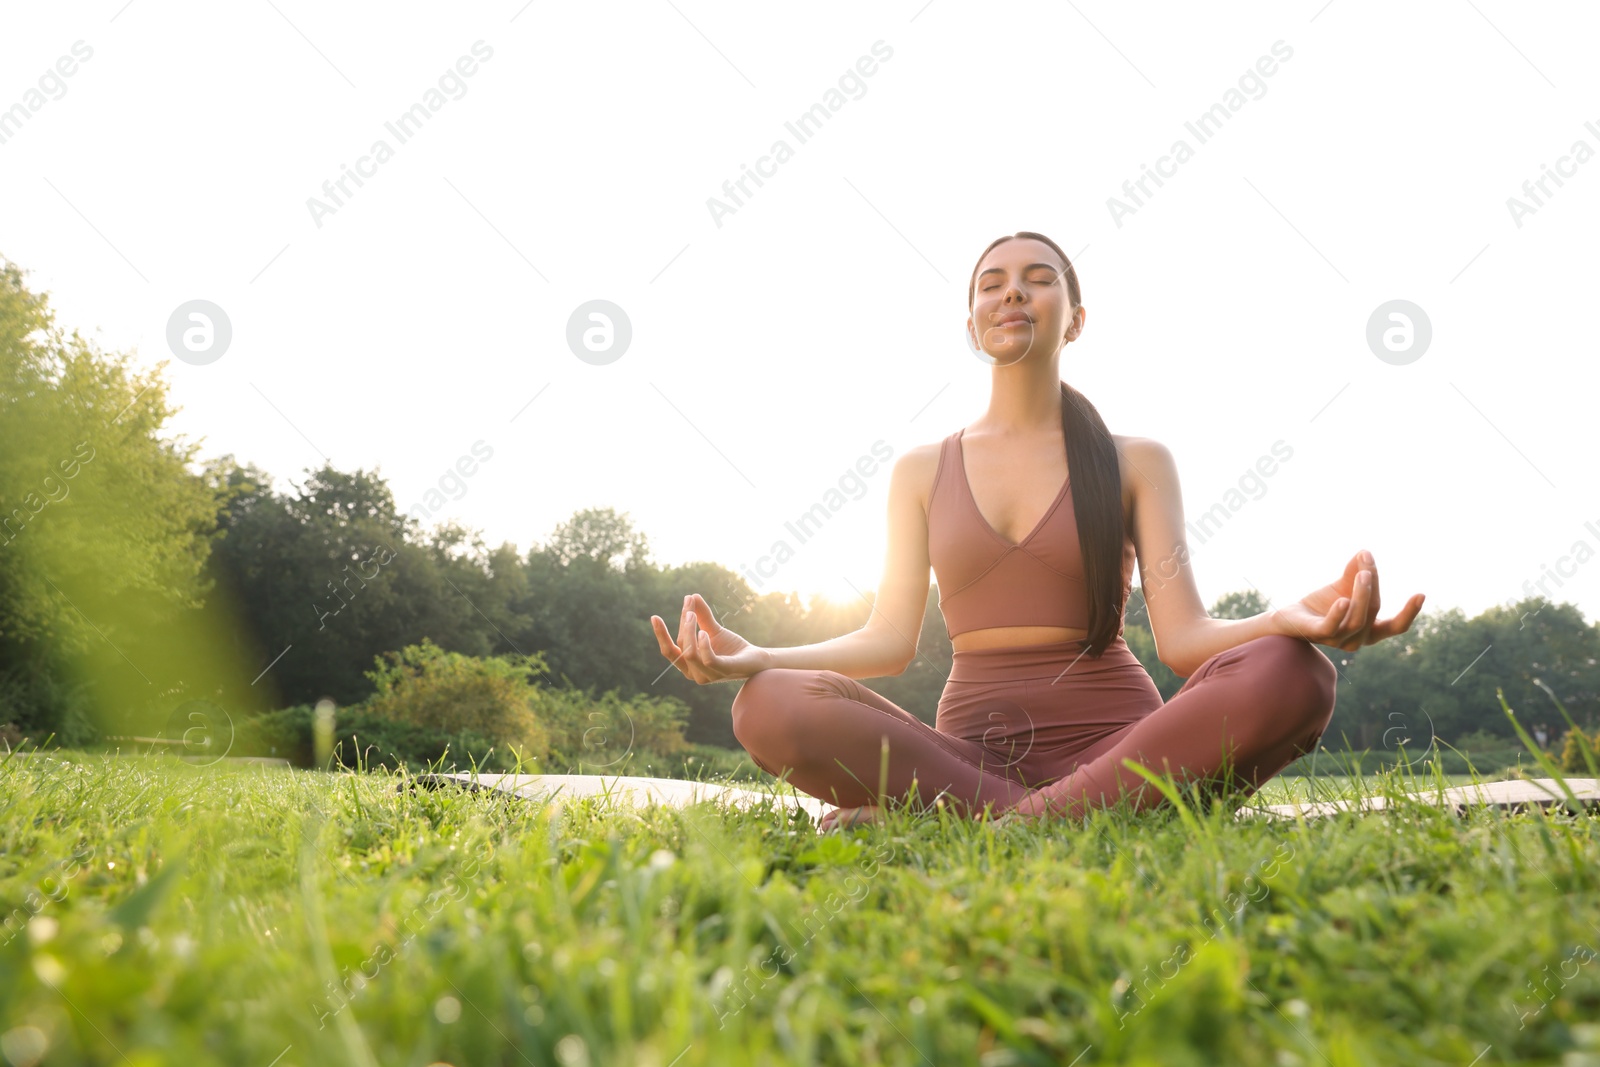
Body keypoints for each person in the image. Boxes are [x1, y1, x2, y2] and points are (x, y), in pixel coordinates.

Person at [650, 231, 1426, 832]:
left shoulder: (1136, 460)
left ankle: (988, 829)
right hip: (965, 760)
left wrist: (1289, 620)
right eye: (992, 283)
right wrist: (757, 655)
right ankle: (1056, 820)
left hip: (1123, 752)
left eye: (1038, 279)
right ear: (972, 322)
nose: (1012, 293)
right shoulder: (920, 469)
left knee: (1297, 673)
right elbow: (887, 639)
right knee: (766, 703)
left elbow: (1185, 640)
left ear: (1076, 319)